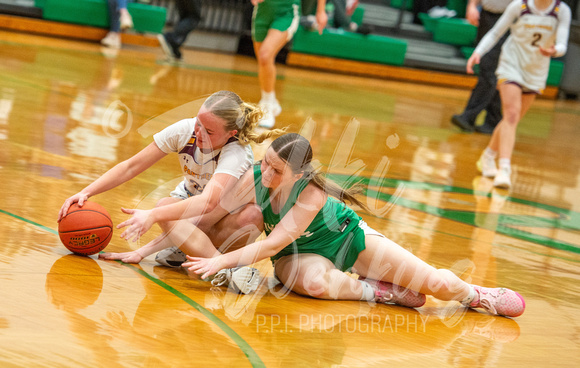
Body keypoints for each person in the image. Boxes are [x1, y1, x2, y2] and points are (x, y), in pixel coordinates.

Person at [117, 133, 526, 317]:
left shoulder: (311, 195)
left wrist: (220, 264)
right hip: (302, 256)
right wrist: (143, 250)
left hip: (350, 241)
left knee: (435, 285)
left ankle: (475, 294)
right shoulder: (256, 177)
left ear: (297, 174)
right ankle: (378, 293)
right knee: (313, 285)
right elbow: (199, 217)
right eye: (264, 162)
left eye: (275, 169)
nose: (265, 171)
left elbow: (268, 245)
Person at [58, 91, 284, 268]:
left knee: (252, 216)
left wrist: (152, 221)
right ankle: (198, 254)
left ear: (230, 134)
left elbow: (208, 203)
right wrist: (86, 192)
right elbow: (131, 166)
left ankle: (223, 266)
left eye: (209, 131)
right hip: (191, 210)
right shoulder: (184, 130)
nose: (198, 132)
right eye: (198, 122)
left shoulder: (237, 152)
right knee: (168, 206)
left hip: (223, 218)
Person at [467, 0, 571, 188]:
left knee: (511, 120)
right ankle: (505, 169)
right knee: (512, 115)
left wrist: (555, 50)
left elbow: (563, 43)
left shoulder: (561, 11)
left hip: (536, 70)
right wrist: (478, 52)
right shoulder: (519, 6)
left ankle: (488, 155)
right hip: (511, 64)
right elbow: (495, 32)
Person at [251, 0, 328, 129]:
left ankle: (267, 106)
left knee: (265, 55)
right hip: (262, 11)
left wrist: (320, 11)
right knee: (263, 61)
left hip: (286, 11)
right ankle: (270, 100)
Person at [451, 0, 512, 134]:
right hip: (486, 16)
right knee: (490, 68)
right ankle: (493, 120)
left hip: (507, 20)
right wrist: (472, 6)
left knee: (489, 68)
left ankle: (468, 117)